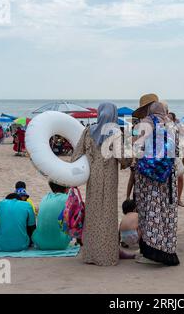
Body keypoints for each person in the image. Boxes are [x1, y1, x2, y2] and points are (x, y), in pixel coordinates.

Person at [71, 103, 123, 266]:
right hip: (109, 178)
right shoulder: (115, 132)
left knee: (93, 214)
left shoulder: (88, 131)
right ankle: (106, 256)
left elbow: (76, 154)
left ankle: (91, 255)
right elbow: (124, 159)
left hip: (93, 177)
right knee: (107, 215)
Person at [133, 95, 180, 265]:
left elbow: (137, 149)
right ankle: (167, 251)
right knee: (166, 212)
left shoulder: (145, 123)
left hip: (148, 177)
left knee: (150, 210)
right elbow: (177, 151)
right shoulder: (171, 124)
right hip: (168, 177)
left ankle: (150, 253)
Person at [32, 182, 71, 250]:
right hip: (61, 243)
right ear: (66, 189)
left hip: (40, 243)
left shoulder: (45, 198)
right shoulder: (67, 199)